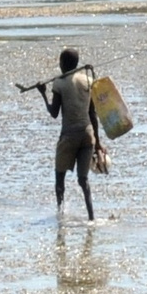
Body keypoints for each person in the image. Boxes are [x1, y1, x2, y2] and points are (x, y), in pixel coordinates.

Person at [43, 48, 101, 220]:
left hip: (69, 136)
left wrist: (43, 94)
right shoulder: (88, 80)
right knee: (83, 180)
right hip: (87, 134)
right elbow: (92, 114)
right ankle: (92, 216)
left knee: (59, 178)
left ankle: (60, 214)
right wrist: (97, 142)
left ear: (63, 64)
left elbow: (54, 113)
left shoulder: (59, 83)